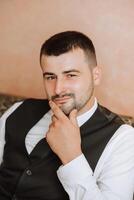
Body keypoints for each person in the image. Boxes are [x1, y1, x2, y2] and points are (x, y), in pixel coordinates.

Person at [0, 31, 134, 200]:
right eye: (50, 77)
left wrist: (72, 157)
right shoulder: (18, 110)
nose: (57, 89)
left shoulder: (122, 139)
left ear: (95, 76)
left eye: (70, 75)